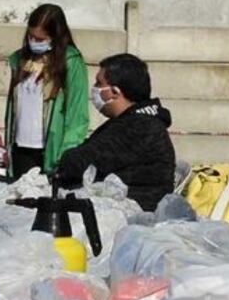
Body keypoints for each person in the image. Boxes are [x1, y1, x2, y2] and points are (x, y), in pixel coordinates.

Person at [55, 54, 175, 211]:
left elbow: (79, 162)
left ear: (115, 91)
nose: (94, 89)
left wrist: (65, 162)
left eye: (99, 83)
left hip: (132, 214)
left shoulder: (139, 126)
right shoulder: (128, 121)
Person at [4, 3, 90, 177]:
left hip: (51, 151)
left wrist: (67, 153)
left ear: (56, 36)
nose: (34, 43)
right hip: (21, 148)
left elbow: (77, 112)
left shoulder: (71, 62)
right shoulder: (19, 60)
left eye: (40, 39)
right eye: (31, 37)